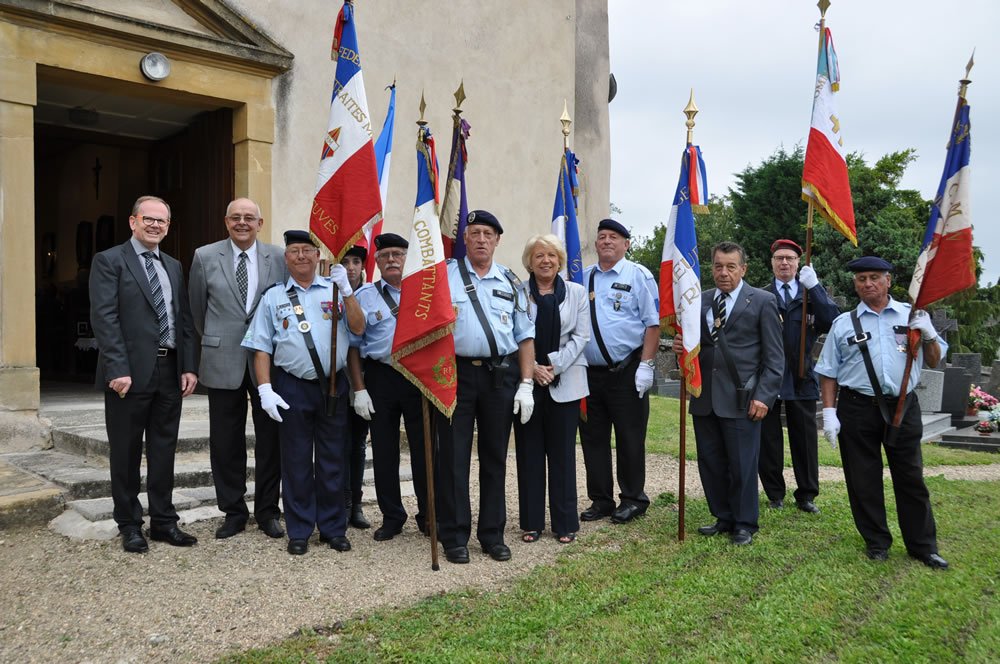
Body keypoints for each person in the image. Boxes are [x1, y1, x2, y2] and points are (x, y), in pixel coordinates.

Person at [815, 256, 948, 569]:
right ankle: (876, 541)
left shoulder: (911, 315)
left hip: (903, 407)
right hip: (858, 407)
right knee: (863, 479)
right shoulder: (843, 323)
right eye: (861, 279)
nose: (868, 284)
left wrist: (929, 333)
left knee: (910, 477)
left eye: (875, 277)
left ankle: (923, 546)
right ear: (855, 284)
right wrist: (830, 412)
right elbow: (828, 372)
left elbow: (934, 359)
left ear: (888, 280)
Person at [241, 230, 365, 555]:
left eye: (307, 250)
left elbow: (358, 327)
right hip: (292, 386)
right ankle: (299, 530)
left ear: (317, 256)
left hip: (332, 386)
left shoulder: (335, 290)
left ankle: (333, 528)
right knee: (295, 461)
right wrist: (265, 388)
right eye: (294, 251)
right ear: (286, 258)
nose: (301, 256)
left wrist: (348, 292)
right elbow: (261, 347)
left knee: (332, 460)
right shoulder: (273, 297)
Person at [89, 195, 199, 553]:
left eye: (161, 221)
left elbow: (183, 319)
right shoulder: (109, 261)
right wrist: (117, 368)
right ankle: (129, 524)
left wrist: (188, 366)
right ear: (133, 221)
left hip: (169, 370)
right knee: (126, 452)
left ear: (168, 227)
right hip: (129, 374)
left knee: (164, 450)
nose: (154, 225)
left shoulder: (173, 265)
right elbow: (105, 318)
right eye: (148, 219)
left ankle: (164, 522)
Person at [436, 210, 535, 564]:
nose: (481, 239)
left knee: (495, 456)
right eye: (475, 233)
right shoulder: (444, 276)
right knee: (454, 457)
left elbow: (524, 336)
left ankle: (492, 534)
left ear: (497, 241)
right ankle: (454, 536)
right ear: (464, 239)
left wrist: (526, 383)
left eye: (488, 234)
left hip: (499, 377)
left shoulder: (511, 281)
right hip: (455, 375)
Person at [188, 198, 287, 540]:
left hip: (267, 361)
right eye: (235, 217)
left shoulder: (278, 257)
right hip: (222, 359)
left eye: (249, 217)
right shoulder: (204, 256)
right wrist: (217, 339)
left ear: (260, 223)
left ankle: (268, 510)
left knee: (270, 439)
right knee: (225, 441)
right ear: (226, 222)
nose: (242, 222)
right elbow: (197, 310)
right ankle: (233, 511)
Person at [677, 241, 783, 546]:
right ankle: (723, 516)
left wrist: (764, 396)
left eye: (731, 267)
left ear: (743, 269)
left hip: (743, 397)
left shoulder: (762, 301)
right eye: (718, 266)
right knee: (710, 461)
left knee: (742, 464)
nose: (724, 273)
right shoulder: (700, 300)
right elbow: (697, 345)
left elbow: (775, 358)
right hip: (705, 397)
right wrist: (682, 348)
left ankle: (745, 523)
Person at [348, 233, 429, 541]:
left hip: (419, 376)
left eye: (398, 254)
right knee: (384, 450)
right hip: (381, 376)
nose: (392, 260)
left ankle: (429, 515)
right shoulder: (365, 296)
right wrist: (359, 389)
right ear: (377, 262)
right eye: (385, 256)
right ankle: (392, 516)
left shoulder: (425, 290)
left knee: (424, 449)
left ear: (408, 258)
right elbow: (353, 346)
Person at [578, 219, 660, 525]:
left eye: (614, 237)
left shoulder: (638, 275)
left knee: (629, 437)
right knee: (593, 438)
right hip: (589, 373)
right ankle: (601, 499)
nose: (607, 241)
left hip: (627, 371)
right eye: (602, 237)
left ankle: (633, 498)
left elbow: (653, 323)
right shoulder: (583, 277)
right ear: (596, 244)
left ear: (626, 244)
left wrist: (646, 365)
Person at [513, 234, 590, 544]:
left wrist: (553, 366)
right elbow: (512, 333)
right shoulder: (517, 292)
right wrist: (532, 368)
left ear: (560, 261)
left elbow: (581, 337)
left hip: (566, 380)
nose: (545, 260)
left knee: (562, 455)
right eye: (539, 255)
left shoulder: (577, 293)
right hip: (526, 381)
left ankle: (565, 523)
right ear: (529, 262)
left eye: (551, 255)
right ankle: (531, 522)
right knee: (529, 453)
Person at [757, 239, 840, 513]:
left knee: (804, 439)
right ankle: (775, 494)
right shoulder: (761, 295)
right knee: (768, 440)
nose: (784, 263)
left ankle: (806, 495)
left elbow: (832, 321)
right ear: (772, 263)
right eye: (779, 258)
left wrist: (815, 287)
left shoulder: (810, 296)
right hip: (767, 377)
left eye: (790, 258)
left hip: (801, 375)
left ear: (798, 264)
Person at [340, 244, 371, 530]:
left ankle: (356, 503)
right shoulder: (328, 291)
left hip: (363, 377)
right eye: (346, 262)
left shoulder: (370, 294)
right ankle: (342, 502)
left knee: (358, 443)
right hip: (337, 377)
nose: (351, 268)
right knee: (339, 442)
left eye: (356, 262)